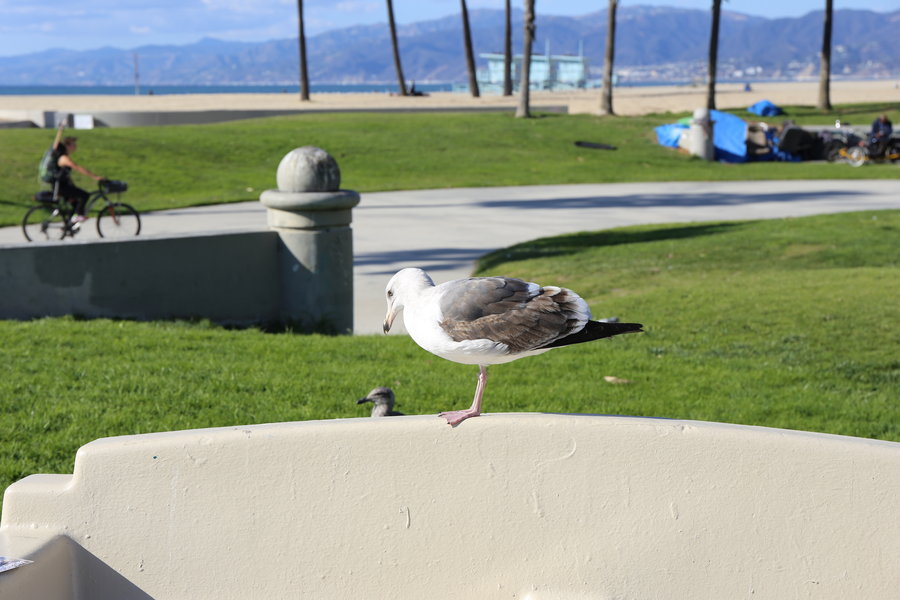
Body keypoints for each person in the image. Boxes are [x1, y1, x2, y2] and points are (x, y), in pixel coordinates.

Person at [54, 136, 105, 223]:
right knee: (85, 195)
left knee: (75, 203)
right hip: (61, 188)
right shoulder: (64, 158)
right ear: (68, 146)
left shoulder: (64, 157)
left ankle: (68, 226)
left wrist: (72, 185)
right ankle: (78, 216)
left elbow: (65, 176)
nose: (75, 146)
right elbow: (78, 168)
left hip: (63, 186)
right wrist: (95, 177)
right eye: (73, 144)